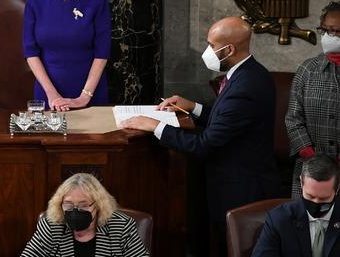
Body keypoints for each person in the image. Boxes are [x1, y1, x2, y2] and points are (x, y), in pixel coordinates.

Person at [120, 16, 280, 225]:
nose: (207, 51)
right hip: (237, 180)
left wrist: (155, 126)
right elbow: (228, 119)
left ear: (229, 50)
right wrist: (193, 107)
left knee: (231, 245)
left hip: (241, 190)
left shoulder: (246, 86)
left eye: (212, 46)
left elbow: (203, 145)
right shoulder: (249, 72)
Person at [11, 173, 152, 257]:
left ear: (98, 205)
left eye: (83, 205)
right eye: (68, 205)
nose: (75, 211)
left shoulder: (121, 227)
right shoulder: (51, 226)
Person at [23, 0, 112, 112]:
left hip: (89, 93)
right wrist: (52, 94)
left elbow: (102, 52)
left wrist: (84, 97)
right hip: (47, 94)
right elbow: (30, 51)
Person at [243, 155, 339, 257]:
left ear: (337, 189)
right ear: (301, 183)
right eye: (310, 196)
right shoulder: (279, 218)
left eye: (324, 199)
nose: (316, 203)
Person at [286, 1, 340, 197]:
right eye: (325, 30)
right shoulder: (308, 70)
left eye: (336, 31)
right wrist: (310, 156)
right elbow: (293, 119)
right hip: (310, 171)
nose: (329, 37)